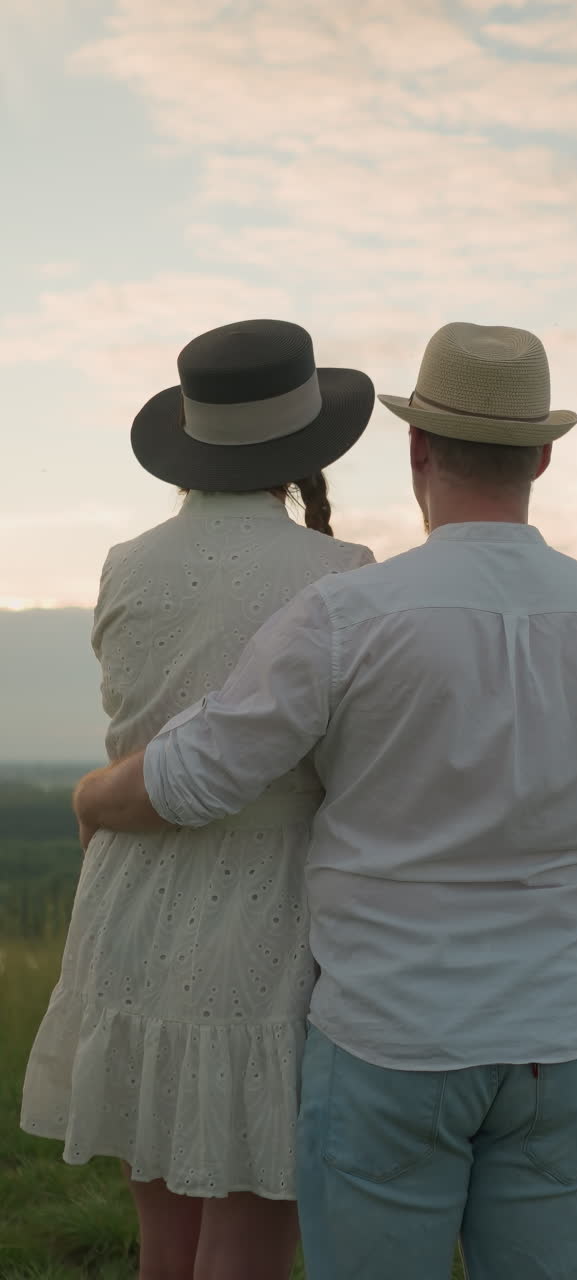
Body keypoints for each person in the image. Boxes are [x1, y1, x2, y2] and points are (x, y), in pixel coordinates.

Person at [72, 323, 577, 1280]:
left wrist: (98, 795)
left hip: (392, 1037)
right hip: (555, 1043)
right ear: (545, 456)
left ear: (418, 447)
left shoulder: (352, 613)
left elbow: (202, 772)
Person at [21, 319, 375, 1280]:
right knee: (252, 1238)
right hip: (267, 915)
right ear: (304, 448)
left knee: (165, 1243)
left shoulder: (124, 562)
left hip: (130, 897)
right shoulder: (342, 575)